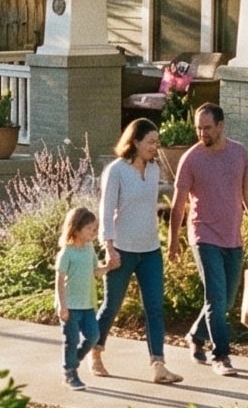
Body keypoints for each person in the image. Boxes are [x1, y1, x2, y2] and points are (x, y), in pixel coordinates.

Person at [166, 101, 248, 377]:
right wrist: (173, 240)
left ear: (221, 126)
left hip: (232, 237)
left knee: (225, 300)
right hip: (203, 235)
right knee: (215, 296)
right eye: (199, 128)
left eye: (207, 128)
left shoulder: (239, 154)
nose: (202, 133)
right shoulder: (191, 159)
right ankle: (220, 355)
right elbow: (178, 204)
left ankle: (195, 335)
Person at [92, 118, 181, 384]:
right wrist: (108, 247)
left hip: (150, 250)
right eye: (151, 142)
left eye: (157, 142)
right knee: (111, 306)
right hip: (122, 249)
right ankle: (94, 353)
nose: (156, 147)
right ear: (135, 142)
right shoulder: (116, 171)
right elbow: (106, 211)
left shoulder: (154, 170)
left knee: (155, 308)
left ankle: (158, 365)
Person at [54, 205, 104, 389]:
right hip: (70, 305)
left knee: (93, 336)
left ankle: (73, 361)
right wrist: (62, 305)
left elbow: (95, 271)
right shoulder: (67, 252)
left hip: (87, 304)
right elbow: (59, 280)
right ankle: (70, 374)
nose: (93, 232)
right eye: (89, 229)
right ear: (76, 229)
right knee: (71, 340)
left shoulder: (89, 248)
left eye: (94, 228)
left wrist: (108, 268)